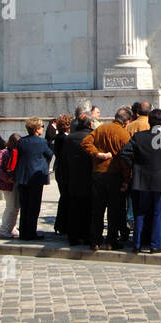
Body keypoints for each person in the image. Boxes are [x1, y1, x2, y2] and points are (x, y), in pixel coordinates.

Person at [120, 107, 161, 253]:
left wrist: (135, 165)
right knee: (159, 214)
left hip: (142, 179)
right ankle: (155, 244)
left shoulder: (139, 136)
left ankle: (137, 244)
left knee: (140, 213)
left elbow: (124, 153)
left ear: (148, 121)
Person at [82, 107, 132, 250]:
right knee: (114, 210)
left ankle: (95, 241)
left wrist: (97, 154)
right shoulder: (124, 135)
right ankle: (111, 241)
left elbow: (85, 143)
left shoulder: (101, 129)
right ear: (126, 121)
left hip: (98, 173)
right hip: (115, 174)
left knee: (97, 209)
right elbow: (125, 160)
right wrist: (126, 180)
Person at [15, 118, 53, 240]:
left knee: (24, 206)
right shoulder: (41, 142)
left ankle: (23, 231)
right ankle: (31, 232)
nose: (43, 128)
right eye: (42, 126)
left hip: (23, 176)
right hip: (35, 178)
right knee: (34, 207)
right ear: (37, 129)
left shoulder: (21, 141)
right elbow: (50, 154)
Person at [62, 106, 95, 247]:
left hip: (74, 177)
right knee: (89, 208)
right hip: (90, 177)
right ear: (90, 124)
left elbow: (63, 159)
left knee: (74, 208)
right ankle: (87, 235)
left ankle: (73, 236)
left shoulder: (70, 138)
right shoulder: (94, 136)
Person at [0, 134, 21, 238]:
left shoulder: (17, 152)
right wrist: (6, 178)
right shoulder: (4, 152)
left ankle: (11, 227)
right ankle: (4, 229)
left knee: (16, 207)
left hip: (15, 182)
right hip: (7, 183)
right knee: (11, 206)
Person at [50, 113, 73, 235]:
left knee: (64, 197)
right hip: (65, 171)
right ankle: (62, 224)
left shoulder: (59, 137)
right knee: (66, 198)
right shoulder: (64, 138)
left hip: (60, 169)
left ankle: (60, 224)